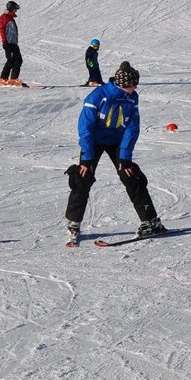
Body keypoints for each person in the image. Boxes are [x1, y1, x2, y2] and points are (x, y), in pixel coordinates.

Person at [64, 62, 166, 245]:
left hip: (117, 141)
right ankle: (74, 223)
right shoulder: (97, 96)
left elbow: (132, 128)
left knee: (131, 175)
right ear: (123, 83)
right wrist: (86, 158)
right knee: (82, 176)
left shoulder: (132, 98)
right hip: (94, 141)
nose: (135, 88)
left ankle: (150, 221)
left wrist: (125, 157)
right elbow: (85, 127)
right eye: (133, 84)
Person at [0, 1, 24, 86]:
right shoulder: (5, 17)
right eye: (15, 9)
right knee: (10, 61)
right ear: (11, 9)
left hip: (13, 43)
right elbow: (1, 29)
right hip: (8, 43)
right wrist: (5, 42)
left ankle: (13, 79)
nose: (16, 11)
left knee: (18, 60)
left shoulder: (10, 18)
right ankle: (3, 79)